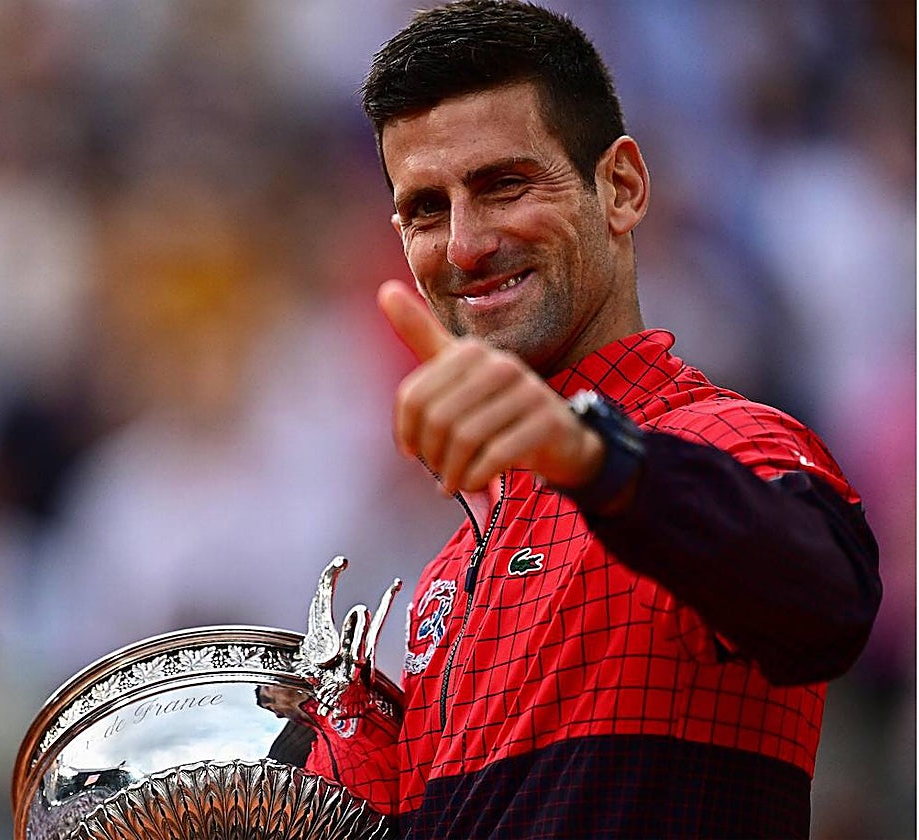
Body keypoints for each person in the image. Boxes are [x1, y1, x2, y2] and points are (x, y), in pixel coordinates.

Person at [357, 2, 881, 837]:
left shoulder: (729, 441)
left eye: (504, 185)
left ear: (622, 188)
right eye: (427, 207)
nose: (463, 244)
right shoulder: (447, 581)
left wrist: (594, 452)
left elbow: (830, 604)